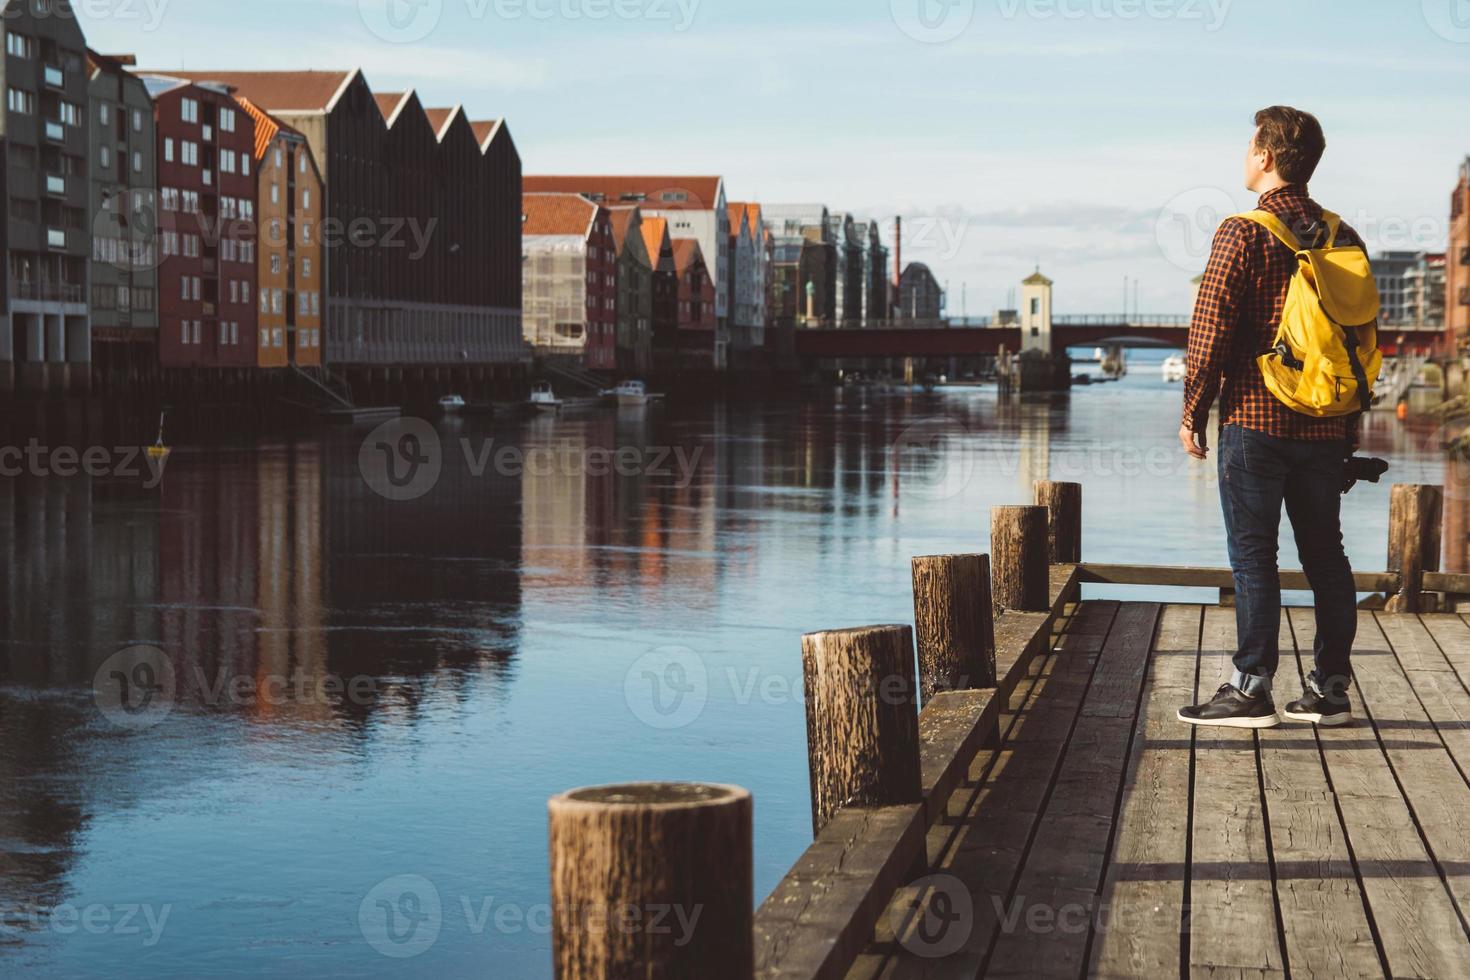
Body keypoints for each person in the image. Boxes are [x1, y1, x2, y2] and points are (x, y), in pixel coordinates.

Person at [1177, 106, 1366, 729]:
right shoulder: (1342, 236)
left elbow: (1209, 333)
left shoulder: (1242, 231)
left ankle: (1251, 688)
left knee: (1254, 557)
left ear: (1264, 157)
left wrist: (1192, 412)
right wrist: (1347, 430)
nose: (1244, 155)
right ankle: (1330, 691)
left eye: (1249, 146)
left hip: (1256, 422)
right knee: (1327, 558)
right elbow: (1358, 345)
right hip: (1325, 424)